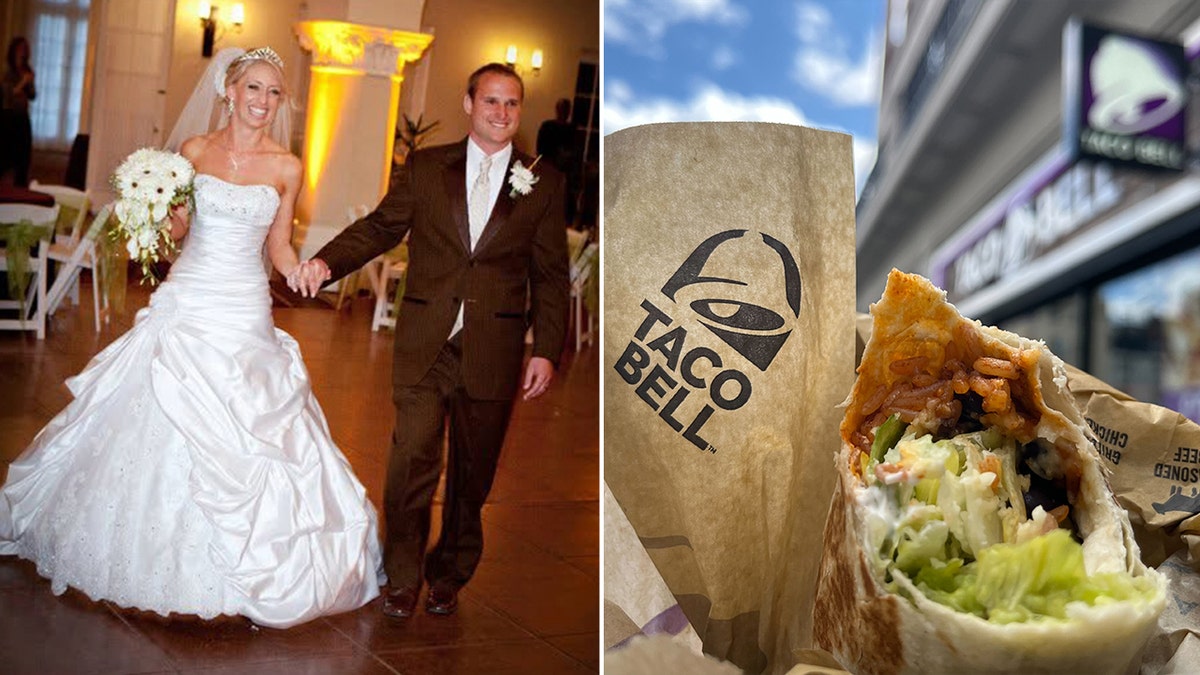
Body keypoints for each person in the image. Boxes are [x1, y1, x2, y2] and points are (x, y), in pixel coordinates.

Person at [0, 47, 384, 628]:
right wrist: (149, 210)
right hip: (189, 301)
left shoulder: (287, 166)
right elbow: (178, 230)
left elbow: (278, 244)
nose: (262, 101)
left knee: (255, 425)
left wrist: (300, 269)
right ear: (229, 91)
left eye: (273, 92)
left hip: (244, 309)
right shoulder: (194, 153)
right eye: (253, 88)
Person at [294, 63, 570, 619]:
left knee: (474, 472)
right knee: (411, 461)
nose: (500, 112)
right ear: (469, 104)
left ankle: (449, 573)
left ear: (520, 111)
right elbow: (380, 227)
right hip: (426, 342)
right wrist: (327, 260)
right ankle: (402, 575)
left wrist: (545, 348)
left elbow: (551, 273)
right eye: (490, 101)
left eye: (511, 103)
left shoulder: (543, 181)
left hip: (494, 346)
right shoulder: (424, 167)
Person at [536, 97, 579, 224]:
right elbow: (540, 149)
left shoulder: (572, 129)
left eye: (566, 109)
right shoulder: (547, 126)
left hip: (566, 172)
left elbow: (575, 152)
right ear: (557, 109)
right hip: (549, 168)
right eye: (561, 109)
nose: (564, 112)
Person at [1, 37, 36, 187]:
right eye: (20, 48)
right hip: (9, 118)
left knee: (24, 157)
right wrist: (23, 82)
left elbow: (33, 95)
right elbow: (9, 93)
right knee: (6, 156)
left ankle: (21, 189)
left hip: (23, 118)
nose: (23, 52)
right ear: (14, 50)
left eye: (25, 49)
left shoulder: (27, 70)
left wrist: (30, 82)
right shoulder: (8, 72)